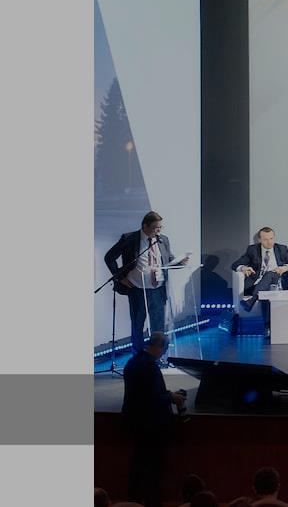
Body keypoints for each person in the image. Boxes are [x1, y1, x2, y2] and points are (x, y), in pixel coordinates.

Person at [104, 211, 189, 355]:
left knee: (158, 327)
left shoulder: (163, 240)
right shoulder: (129, 238)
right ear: (145, 226)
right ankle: (138, 356)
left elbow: (168, 260)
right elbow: (109, 257)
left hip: (158, 290)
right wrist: (120, 277)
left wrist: (180, 262)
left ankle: (158, 357)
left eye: (160, 227)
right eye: (156, 228)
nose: (159, 231)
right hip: (137, 290)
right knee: (137, 325)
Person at [121, 331, 186, 507]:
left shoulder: (133, 362)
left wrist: (167, 395)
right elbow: (151, 398)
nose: (164, 352)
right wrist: (171, 397)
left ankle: (134, 500)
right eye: (165, 348)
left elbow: (145, 394)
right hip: (151, 426)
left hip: (136, 423)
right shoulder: (148, 367)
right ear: (159, 346)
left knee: (138, 465)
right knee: (153, 470)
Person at [230, 227, 288, 339]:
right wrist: (244, 268)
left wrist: (285, 268)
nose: (269, 242)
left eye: (271, 238)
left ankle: (252, 303)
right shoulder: (252, 250)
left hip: (277, 282)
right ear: (260, 240)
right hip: (258, 285)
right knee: (265, 293)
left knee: (270, 274)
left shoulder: (281, 249)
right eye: (266, 239)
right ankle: (268, 327)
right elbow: (235, 264)